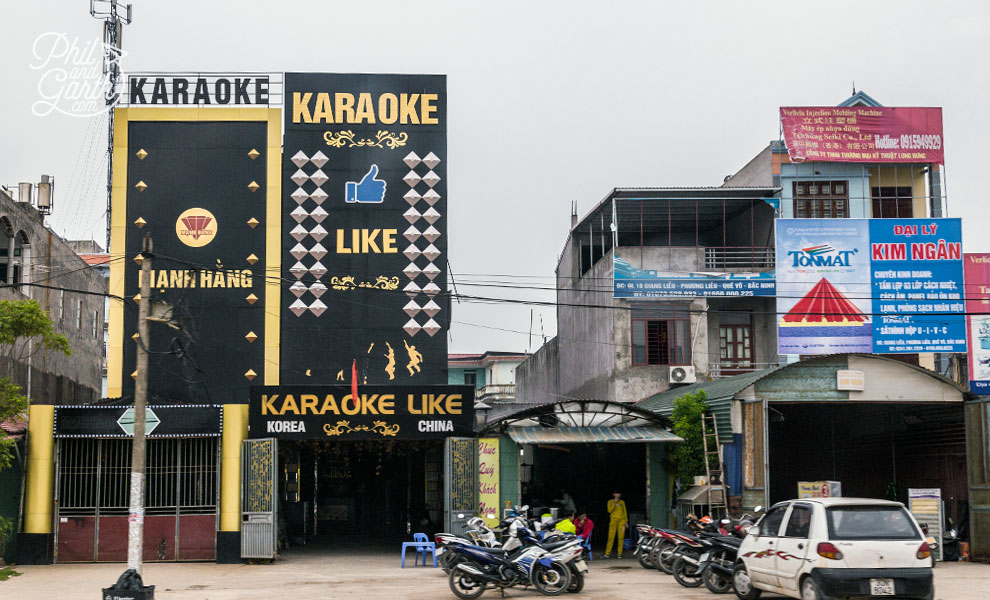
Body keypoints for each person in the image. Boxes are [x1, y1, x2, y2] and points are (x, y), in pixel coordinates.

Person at [603, 490, 628, 559]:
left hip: (621, 521)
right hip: (613, 521)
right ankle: (607, 553)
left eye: (619, 493)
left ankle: (619, 553)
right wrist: (614, 503)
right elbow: (609, 510)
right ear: (613, 494)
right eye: (616, 493)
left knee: (621, 537)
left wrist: (626, 522)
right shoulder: (610, 502)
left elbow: (624, 512)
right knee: (611, 537)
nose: (617, 495)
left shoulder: (622, 502)